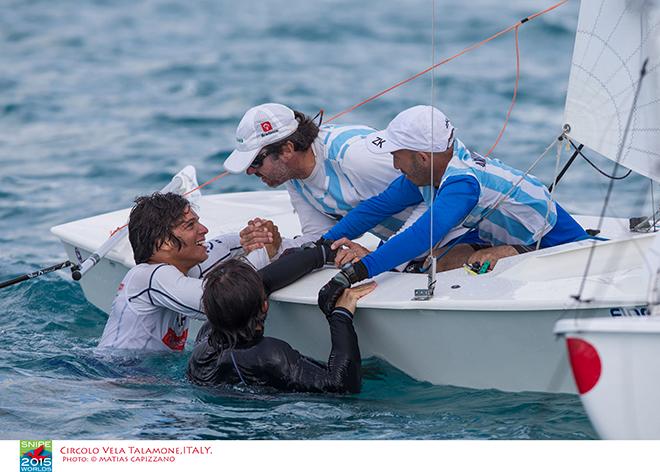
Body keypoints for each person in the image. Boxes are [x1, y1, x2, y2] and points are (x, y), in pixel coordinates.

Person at [316, 105, 589, 309]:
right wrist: (322, 244)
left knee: (461, 260)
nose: (395, 165)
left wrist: (354, 274)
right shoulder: (435, 167)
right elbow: (376, 207)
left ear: (422, 157)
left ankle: (514, 252)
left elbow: (422, 235)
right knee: (439, 258)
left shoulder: (462, 184)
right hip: (504, 233)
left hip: (556, 241)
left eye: (396, 156)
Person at [223, 103, 467, 261]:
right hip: (414, 248)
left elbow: (439, 183)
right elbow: (321, 238)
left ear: (287, 149)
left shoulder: (358, 157)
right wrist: (276, 246)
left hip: (463, 232)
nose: (250, 171)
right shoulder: (294, 178)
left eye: (256, 162)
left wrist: (386, 254)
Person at [97, 192, 274, 352]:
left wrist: (255, 237)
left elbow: (224, 245)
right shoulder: (150, 276)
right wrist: (264, 252)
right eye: (190, 225)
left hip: (146, 377)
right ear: (164, 242)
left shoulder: (182, 267)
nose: (204, 229)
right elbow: (225, 301)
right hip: (118, 379)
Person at [187, 258, 376, 393]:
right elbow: (343, 385)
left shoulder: (203, 344)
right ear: (264, 305)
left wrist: (319, 253)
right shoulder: (269, 354)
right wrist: (340, 315)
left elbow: (256, 285)